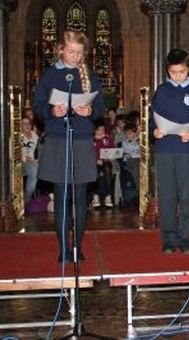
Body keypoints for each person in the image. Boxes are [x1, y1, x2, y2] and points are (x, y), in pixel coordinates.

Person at [32, 30, 105, 263]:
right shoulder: (50, 75)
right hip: (57, 139)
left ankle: (78, 247)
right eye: (71, 51)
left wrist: (89, 111)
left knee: (81, 197)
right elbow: (38, 105)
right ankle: (64, 247)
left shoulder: (89, 75)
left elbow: (100, 107)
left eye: (79, 53)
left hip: (81, 138)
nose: (74, 56)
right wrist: (52, 111)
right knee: (62, 196)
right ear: (61, 50)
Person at [150, 48, 189, 255]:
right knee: (167, 196)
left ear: (188, 70)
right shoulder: (162, 90)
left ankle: (185, 238)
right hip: (165, 149)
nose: (177, 76)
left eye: (181, 72)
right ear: (168, 71)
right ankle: (168, 238)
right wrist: (154, 132)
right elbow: (152, 118)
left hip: (186, 150)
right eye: (173, 72)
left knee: (185, 196)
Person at [91, 121, 115, 208]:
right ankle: (95, 195)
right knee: (94, 170)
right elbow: (88, 152)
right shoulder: (91, 139)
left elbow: (113, 149)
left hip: (106, 161)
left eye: (103, 129)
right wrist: (96, 159)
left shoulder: (108, 138)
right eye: (99, 130)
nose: (101, 132)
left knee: (108, 168)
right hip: (93, 162)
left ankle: (108, 195)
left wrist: (112, 157)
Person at [21, 115, 39, 205]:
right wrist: (26, 158)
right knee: (33, 171)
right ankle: (25, 202)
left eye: (28, 124)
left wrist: (33, 161)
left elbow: (33, 152)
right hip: (20, 161)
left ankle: (51, 197)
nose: (27, 126)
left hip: (31, 160)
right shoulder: (17, 136)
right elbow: (11, 153)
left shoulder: (35, 136)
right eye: (24, 124)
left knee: (47, 166)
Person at [120, 123, 141, 192]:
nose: (127, 135)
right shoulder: (124, 142)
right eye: (126, 133)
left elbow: (141, 153)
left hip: (138, 160)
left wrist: (133, 154)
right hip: (129, 162)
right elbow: (126, 153)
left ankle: (139, 189)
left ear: (135, 133)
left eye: (129, 133)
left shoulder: (139, 141)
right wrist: (134, 153)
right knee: (136, 167)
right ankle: (138, 189)